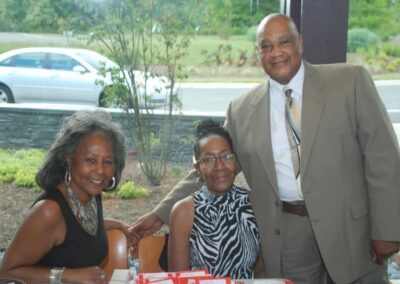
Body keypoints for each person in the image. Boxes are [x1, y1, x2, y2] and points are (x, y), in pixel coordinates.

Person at [129, 13, 400, 284]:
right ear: (257, 53)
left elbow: (384, 159)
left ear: (300, 43)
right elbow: (213, 165)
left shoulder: (349, 82)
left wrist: (389, 228)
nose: (276, 52)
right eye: (266, 46)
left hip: (351, 230)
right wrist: (160, 213)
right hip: (287, 235)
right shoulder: (241, 110)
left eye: (284, 42)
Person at [0, 110, 131, 283]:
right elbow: (5, 273)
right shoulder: (49, 212)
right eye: (91, 160)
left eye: (108, 162)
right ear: (70, 159)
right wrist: (67, 275)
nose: (100, 171)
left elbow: (75, 234)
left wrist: (118, 225)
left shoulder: (90, 195)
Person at [168, 119, 265, 278]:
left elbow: (262, 271)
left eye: (226, 156)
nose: (219, 166)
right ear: (198, 169)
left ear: (236, 161)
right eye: (208, 159)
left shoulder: (253, 203)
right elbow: (179, 277)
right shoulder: (184, 212)